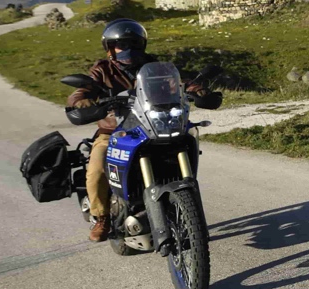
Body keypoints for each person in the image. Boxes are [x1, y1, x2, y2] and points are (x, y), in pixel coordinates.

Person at [65, 19, 207, 242]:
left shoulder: (154, 66)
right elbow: (83, 90)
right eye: (121, 45)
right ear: (110, 48)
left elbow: (179, 82)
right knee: (96, 169)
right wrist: (82, 103)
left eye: (133, 44)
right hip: (114, 131)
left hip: (152, 124)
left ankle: (188, 209)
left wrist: (197, 91)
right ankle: (101, 216)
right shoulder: (102, 69)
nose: (128, 50)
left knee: (187, 138)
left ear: (142, 45)